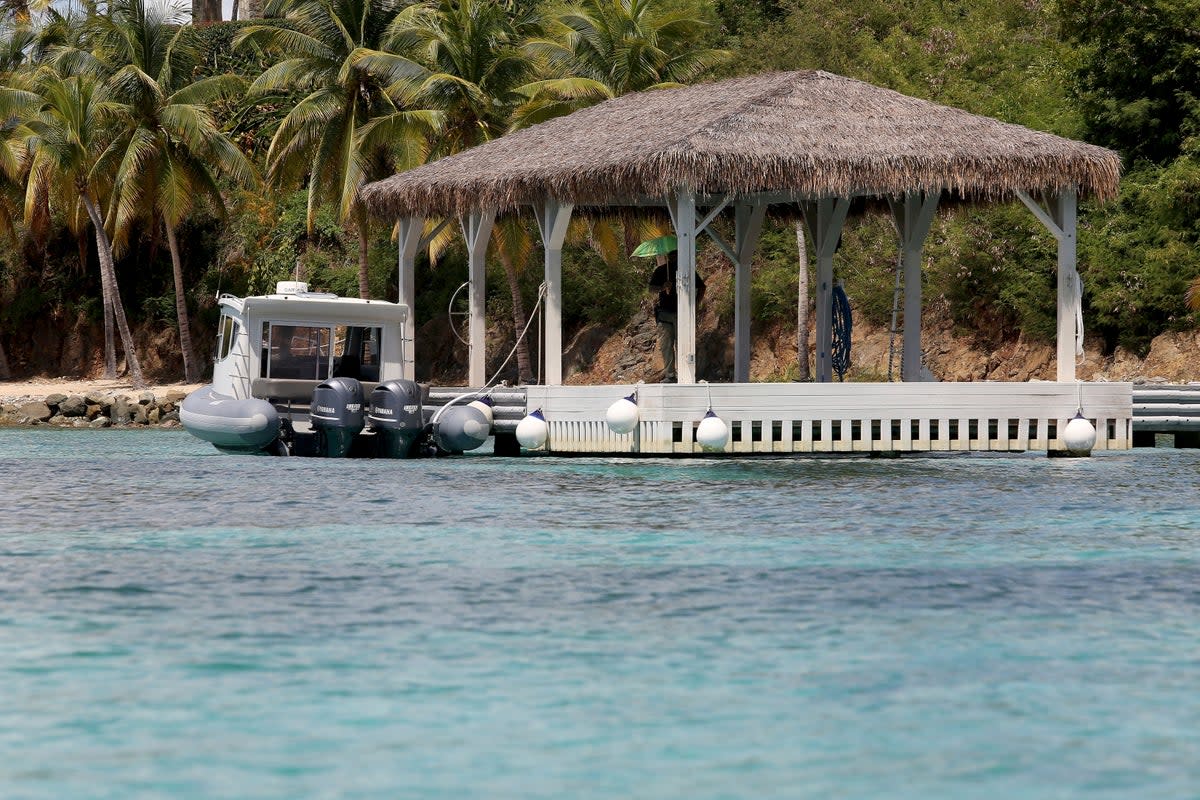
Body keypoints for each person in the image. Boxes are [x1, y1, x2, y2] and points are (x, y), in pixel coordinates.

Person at [648, 251, 705, 382]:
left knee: (683, 345)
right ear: (668, 257)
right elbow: (651, 289)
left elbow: (701, 287)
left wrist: (695, 304)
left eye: (676, 256)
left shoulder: (687, 271)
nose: (673, 258)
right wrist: (663, 287)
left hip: (682, 314)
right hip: (664, 315)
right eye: (671, 256)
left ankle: (685, 374)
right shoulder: (661, 270)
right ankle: (670, 375)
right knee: (666, 345)